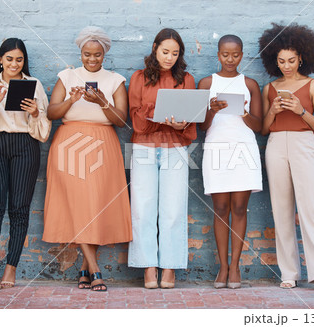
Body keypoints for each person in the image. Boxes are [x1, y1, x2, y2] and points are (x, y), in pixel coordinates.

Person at [42, 26, 132, 292]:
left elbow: (121, 120)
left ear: (104, 54)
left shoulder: (115, 80)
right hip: (69, 143)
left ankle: (83, 268)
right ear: (80, 53)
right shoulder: (67, 76)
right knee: (77, 205)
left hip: (103, 143)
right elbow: (51, 113)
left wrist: (102, 101)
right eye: (86, 54)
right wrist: (71, 100)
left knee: (95, 206)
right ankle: (94, 270)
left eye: (97, 55)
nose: (92, 60)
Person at [259, 23, 314, 294]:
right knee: (281, 210)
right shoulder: (269, 87)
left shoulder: (312, 85)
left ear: (302, 57)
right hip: (276, 145)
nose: (286, 66)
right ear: (274, 60)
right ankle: (289, 272)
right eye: (281, 61)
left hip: (304, 143)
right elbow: (264, 128)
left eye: (291, 60)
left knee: (310, 210)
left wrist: (300, 110)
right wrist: (272, 109)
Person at [0, 38, 51, 290]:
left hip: (25, 146)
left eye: (19, 59)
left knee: (19, 208)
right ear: (0, 59)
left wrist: (36, 113)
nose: (14, 64)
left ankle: (11, 267)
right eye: (9, 59)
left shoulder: (34, 84)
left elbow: (43, 132)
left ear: (24, 61)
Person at [127, 28, 196, 289]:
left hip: (175, 147)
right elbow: (136, 122)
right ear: (155, 48)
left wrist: (179, 125)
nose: (169, 58)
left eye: (175, 53)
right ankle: (148, 267)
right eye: (165, 51)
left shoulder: (186, 79)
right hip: (144, 147)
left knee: (174, 209)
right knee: (143, 209)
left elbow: (189, 123)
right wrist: (157, 115)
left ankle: (169, 267)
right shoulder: (139, 78)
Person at [198, 35, 263, 289]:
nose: (230, 59)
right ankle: (222, 268)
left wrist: (244, 112)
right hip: (216, 148)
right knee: (221, 208)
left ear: (242, 55)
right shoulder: (206, 83)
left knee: (238, 208)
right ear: (218, 54)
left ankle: (235, 266)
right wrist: (212, 110)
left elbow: (258, 126)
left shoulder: (250, 84)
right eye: (225, 54)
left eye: (235, 55)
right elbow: (201, 126)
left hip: (244, 148)